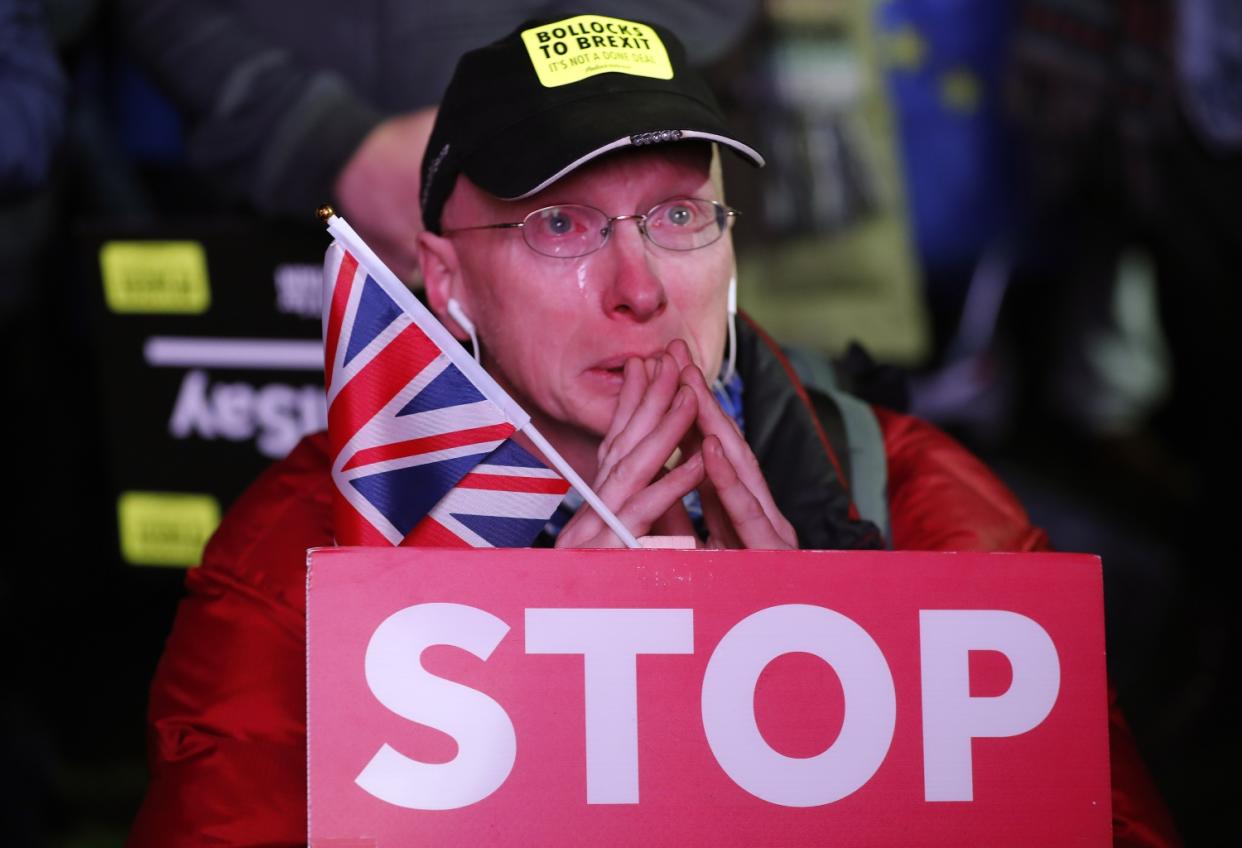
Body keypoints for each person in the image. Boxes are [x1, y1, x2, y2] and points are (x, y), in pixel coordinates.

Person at [129, 16, 1179, 846]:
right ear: (445, 282)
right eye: (559, 223)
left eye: (679, 217)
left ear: (729, 246)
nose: (638, 289)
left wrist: (834, 679)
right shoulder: (302, 555)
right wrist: (523, 722)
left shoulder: (914, 495)